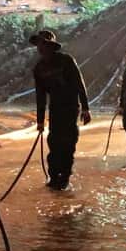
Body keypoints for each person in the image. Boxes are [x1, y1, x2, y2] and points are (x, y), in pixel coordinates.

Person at [30, 30, 91, 190]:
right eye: (38, 44)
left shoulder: (66, 61)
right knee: (54, 142)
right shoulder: (39, 69)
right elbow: (40, 96)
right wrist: (40, 121)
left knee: (68, 142)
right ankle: (53, 176)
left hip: (71, 107)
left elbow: (79, 83)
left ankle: (64, 177)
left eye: (43, 43)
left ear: (50, 46)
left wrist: (85, 108)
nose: (40, 47)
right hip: (55, 108)